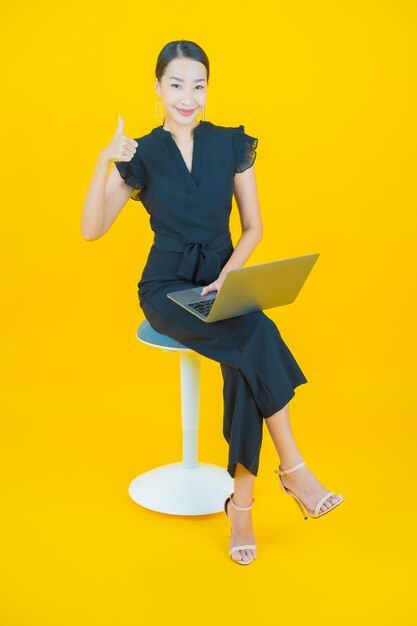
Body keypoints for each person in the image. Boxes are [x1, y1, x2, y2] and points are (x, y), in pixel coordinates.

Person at [81, 40, 344, 566]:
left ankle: (241, 506)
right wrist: (102, 160)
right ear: (157, 88)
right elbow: (92, 229)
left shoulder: (231, 143)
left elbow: (254, 228)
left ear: (207, 88)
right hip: (167, 289)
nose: (187, 96)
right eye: (176, 84)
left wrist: (229, 276)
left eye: (197, 85)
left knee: (249, 353)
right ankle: (292, 471)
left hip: (220, 282)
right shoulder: (141, 154)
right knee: (257, 337)